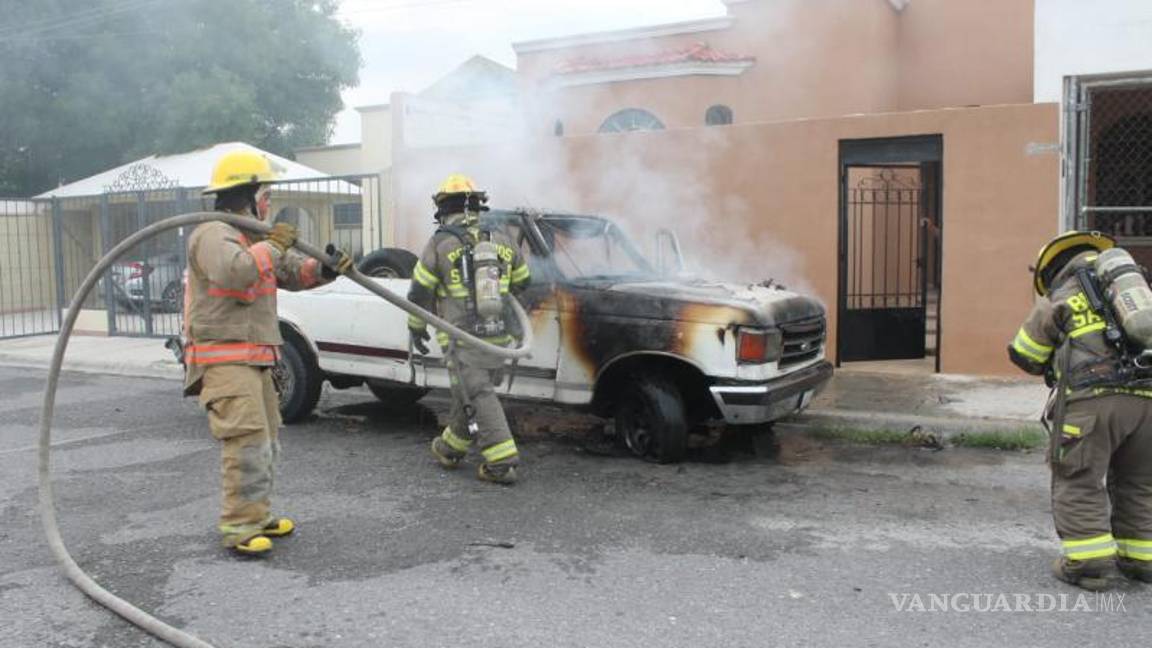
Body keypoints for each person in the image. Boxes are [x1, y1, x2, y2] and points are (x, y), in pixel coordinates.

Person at [185, 150, 352, 555]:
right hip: (225, 360)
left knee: (265, 440)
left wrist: (325, 269)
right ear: (247, 193)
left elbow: (290, 272)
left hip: (255, 358)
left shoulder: (252, 238)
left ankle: (256, 514)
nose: (269, 201)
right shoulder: (213, 234)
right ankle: (239, 526)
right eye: (266, 192)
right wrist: (273, 246)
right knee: (245, 441)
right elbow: (237, 271)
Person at [1008, 230, 1152, 590]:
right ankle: (1141, 559)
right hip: (1147, 401)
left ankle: (1090, 565)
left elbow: (1026, 355)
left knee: (1079, 479)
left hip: (1092, 404)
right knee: (1139, 482)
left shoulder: (1063, 296)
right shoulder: (1136, 296)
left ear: (1053, 267)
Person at [406, 174, 531, 484]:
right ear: (477, 204)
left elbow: (419, 293)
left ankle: (502, 461)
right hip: (498, 336)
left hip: (462, 339)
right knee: (469, 392)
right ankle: (450, 448)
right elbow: (524, 282)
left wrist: (416, 328)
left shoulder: (440, 242)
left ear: (442, 207)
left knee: (477, 393)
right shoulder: (501, 238)